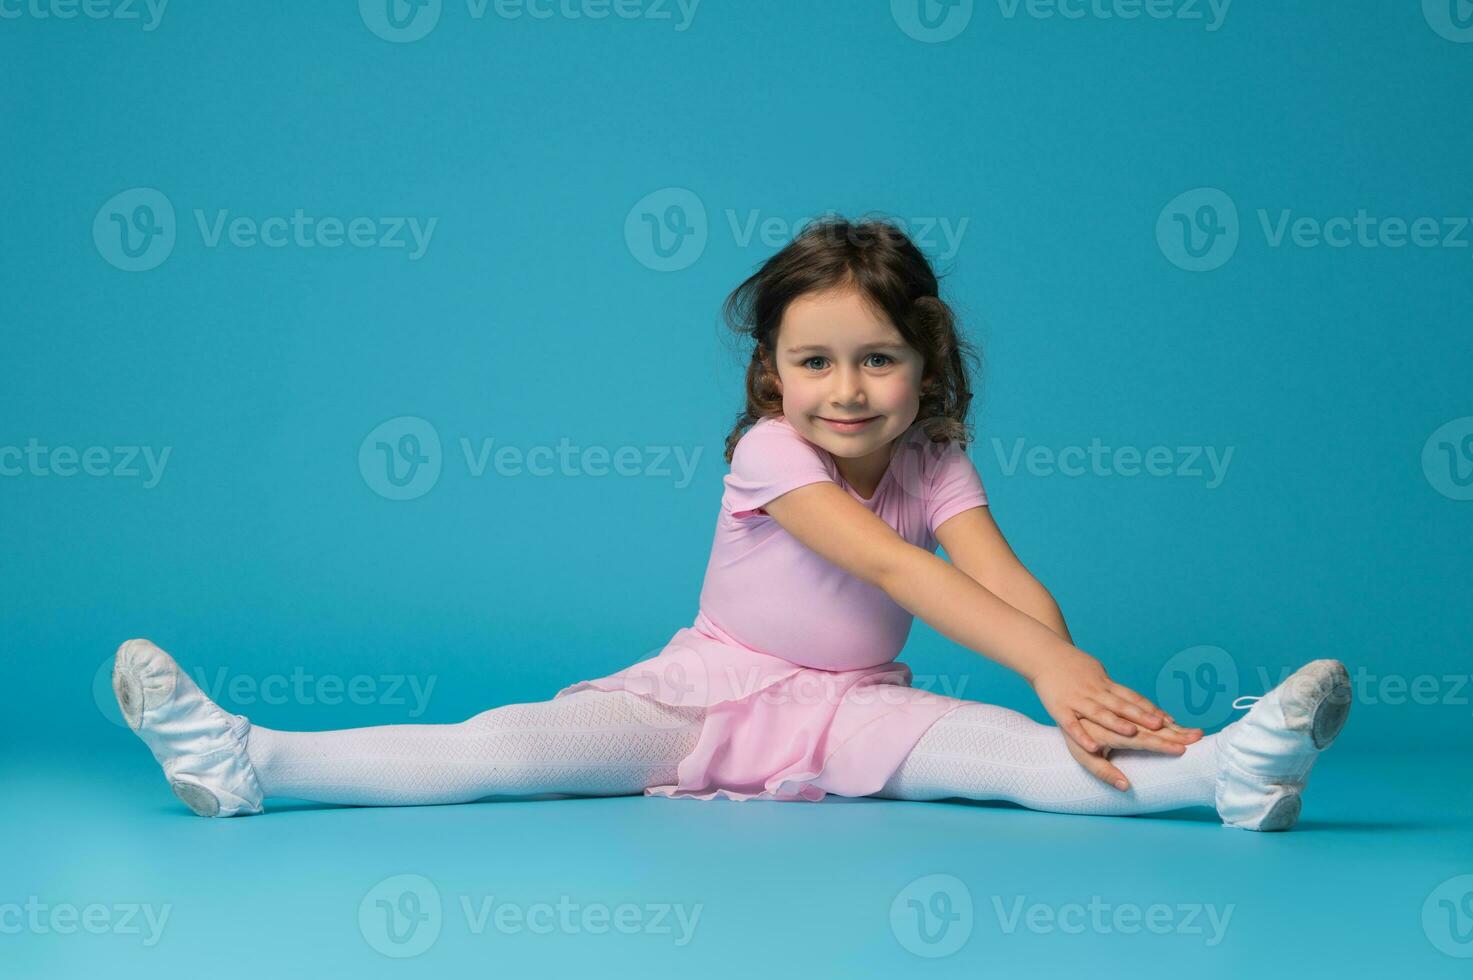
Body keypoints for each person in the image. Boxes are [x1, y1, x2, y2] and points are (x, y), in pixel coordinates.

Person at [111, 216, 1350, 830]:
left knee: (1021, 761)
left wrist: (1086, 685)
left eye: (876, 360)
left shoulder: (934, 458)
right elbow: (881, 564)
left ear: (924, 364)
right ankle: (249, 755)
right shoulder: (771, 454)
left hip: (858, 704)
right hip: (703, 690)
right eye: (816, 361)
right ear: (772, 371)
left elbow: (1001, 577)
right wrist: (1057, 665)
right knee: (499, 746)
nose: (846, 390)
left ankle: (1223, 772)